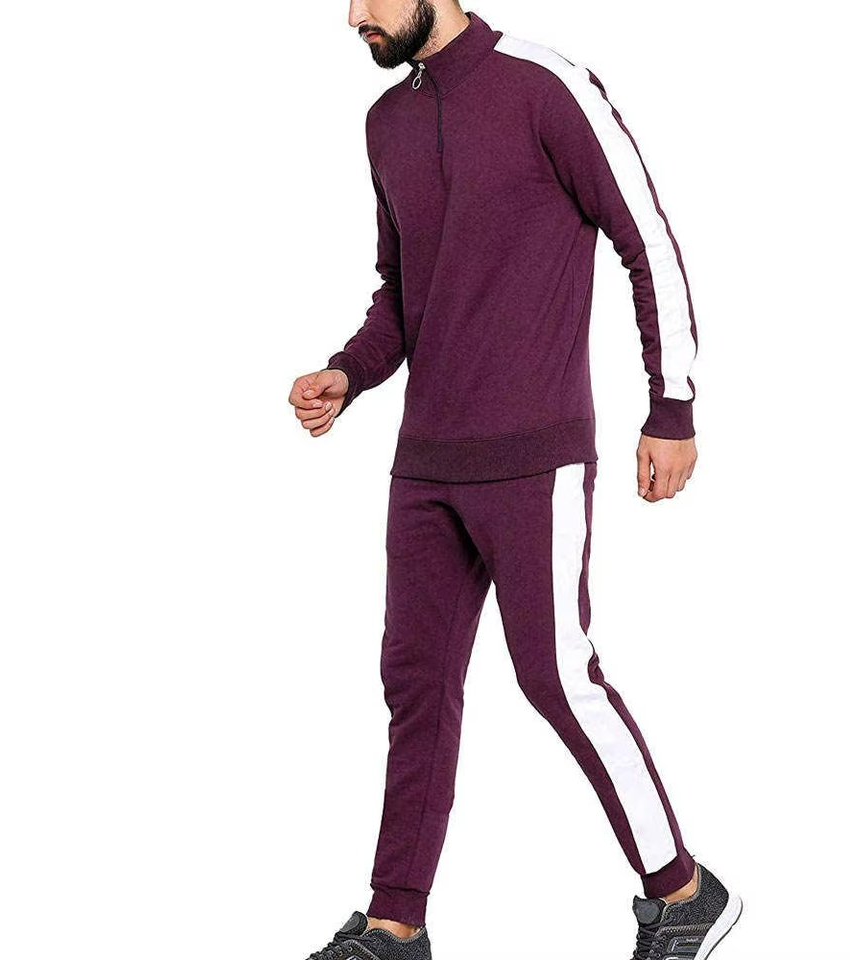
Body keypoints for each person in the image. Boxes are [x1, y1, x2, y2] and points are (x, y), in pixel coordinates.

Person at [288, 3, 743, 958]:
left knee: (556, 676)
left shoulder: (544, 84)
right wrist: (349, 372)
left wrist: (672, 406)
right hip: (426, 465)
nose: (353, 15)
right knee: (415, 687)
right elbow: (403, 292)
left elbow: (646, 237)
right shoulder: (386, 122)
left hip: (535, 455)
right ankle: (395, 923)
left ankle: (684, 892)